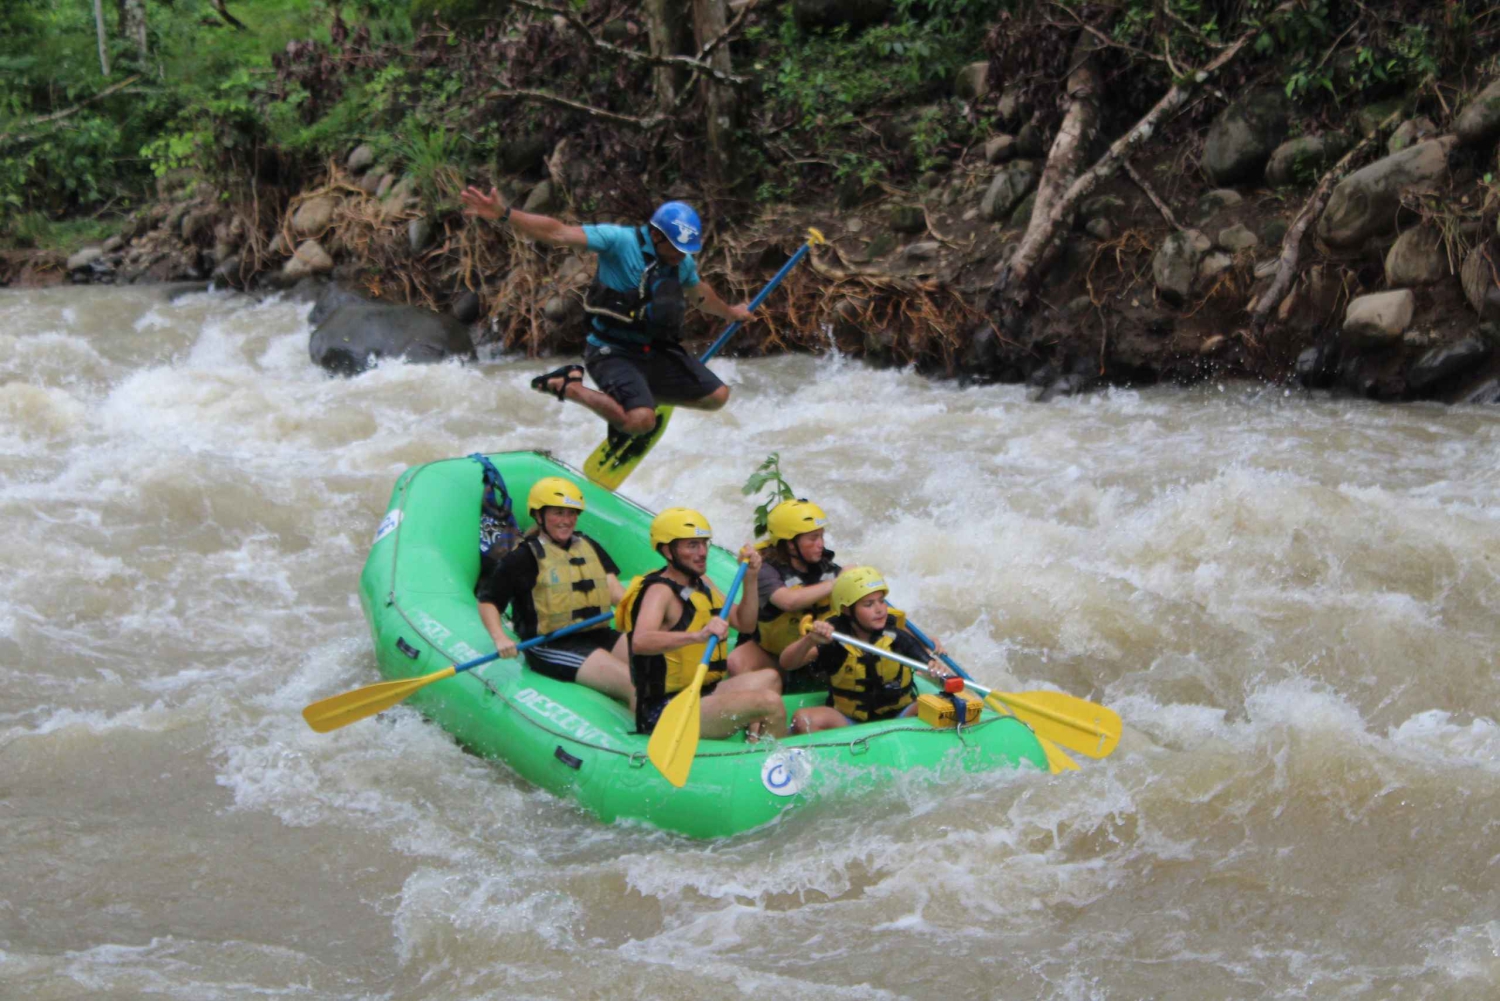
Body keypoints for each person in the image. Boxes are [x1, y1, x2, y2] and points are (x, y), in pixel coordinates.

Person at [459, 187, 754, 443]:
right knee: (641, 422)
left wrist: (731, 313)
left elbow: (700, 294)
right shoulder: (619, 241)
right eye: (676, 247)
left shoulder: (681, 264)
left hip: (656, 350)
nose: (681, 255)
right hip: (611, 351)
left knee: (717, 397)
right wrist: (504, 214)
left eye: (685, 249)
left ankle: (640, 400)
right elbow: (557, 232)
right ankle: (570, 386)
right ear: (655, 234)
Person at [616, 507, 788, 740]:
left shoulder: (701, 582)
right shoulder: (660, 591)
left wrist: (751, 578)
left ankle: (754, 744)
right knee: (769, 702)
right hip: (666, 708)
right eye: (692, 545)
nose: (702, 552)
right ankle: (769, 761)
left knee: (770, 679)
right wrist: (698, 635)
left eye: (704, 544)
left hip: (703, 693)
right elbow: (641, 641)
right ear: (668, 551)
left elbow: (744, 624)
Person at [476, 476, 634, 706]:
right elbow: (488, 601)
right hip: (551, 644)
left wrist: (641, 609)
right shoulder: (522, 558)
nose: (566, 520)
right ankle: (647, 735)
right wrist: (499, 637)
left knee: (660, 670)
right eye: (558, 513)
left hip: (598, 633)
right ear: (539, 516)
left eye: (571, 513)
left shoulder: (588, 546)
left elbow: (614, 591)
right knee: (635, 682)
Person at [779, 566, 953, 734]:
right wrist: (810, 640)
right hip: (850, 723)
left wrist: (937, 669)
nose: (879, 610)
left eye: (881, 601)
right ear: (848, 610)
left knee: (946, 705)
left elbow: (926, 662)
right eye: (868, 604)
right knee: (802, 719)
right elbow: (787, 663)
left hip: (900, 715)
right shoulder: (834, 639)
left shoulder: (896, 636)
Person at [728, 498, 841, 687]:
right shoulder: (764, 569)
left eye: (821, 536)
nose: (820, 544)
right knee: (737, 661)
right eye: (813, 538)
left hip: (812, 650)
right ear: (790, 544)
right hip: (772, 651)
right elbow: (788, 601)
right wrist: (838, 582)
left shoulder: (827, 567)